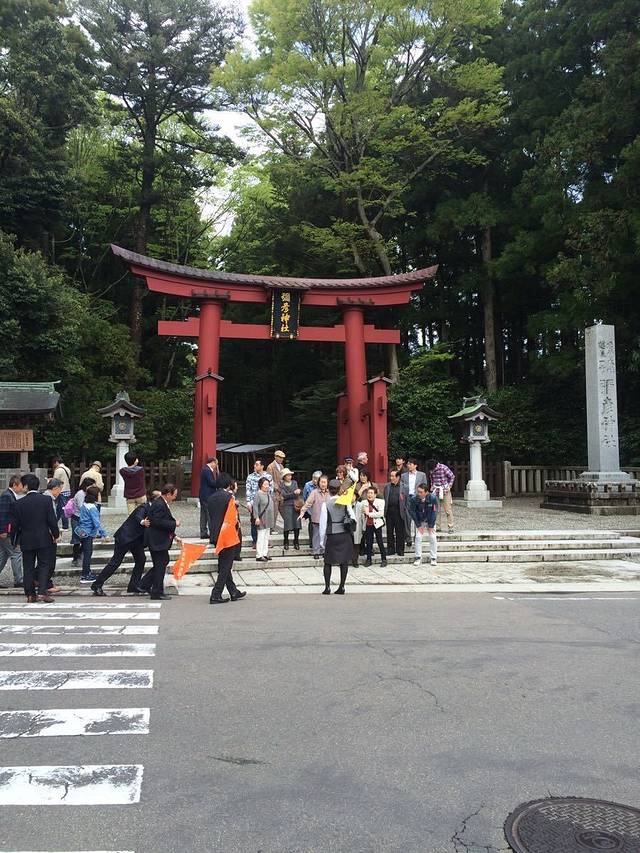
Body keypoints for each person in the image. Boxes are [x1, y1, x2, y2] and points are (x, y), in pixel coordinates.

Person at [91, 492, 157, 596]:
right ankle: (97, 584)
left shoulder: (154, 510)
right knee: (115, 562)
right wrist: (143, 522)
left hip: (136, 540)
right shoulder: (143, 507)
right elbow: (138, 516)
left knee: (141, 559)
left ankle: (133, 585)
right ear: (155, 500)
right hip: (125, 538)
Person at [12, 473, 60, 603]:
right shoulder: (45, 500)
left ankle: (30, 594)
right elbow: (52, 520)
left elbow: (15, 525)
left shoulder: (19, 503)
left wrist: (14, 540)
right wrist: (56, 535)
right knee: (44, 565)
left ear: (26, 486)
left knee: (28, 567)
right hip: (43, 537)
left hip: (26, 538)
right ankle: (42, 592)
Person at [208, 473, 246, 604]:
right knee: (226, 566)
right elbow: (232, 518)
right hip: (227, 534)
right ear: (228, 484)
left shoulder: (211, 497)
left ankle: (233, 591)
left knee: (224, 563)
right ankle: (216, 594)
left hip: (215, 533)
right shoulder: (229, 497)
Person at [140, 483, 180, 600]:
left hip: (158, 539)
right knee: (160, 565)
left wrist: (174, 535)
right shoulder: (159, 504)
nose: (175, 497)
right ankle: (157, 592)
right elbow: (157, 521)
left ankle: (145, 583)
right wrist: (174, 524)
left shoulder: (161, 503)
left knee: (162, 562)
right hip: (156, 540)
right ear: (168, 494)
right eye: (174, 495)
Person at [318, 479, 353, 595]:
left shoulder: (325, 504)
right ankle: (342, 586)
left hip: (332, 534)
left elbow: (323, 524)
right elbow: (353, 517)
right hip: (344, 533)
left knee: (328, 562)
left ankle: (327, 587)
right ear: (339, 490)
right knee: (344, 562)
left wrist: (322, 540)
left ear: (329, 490)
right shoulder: (346, 502)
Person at [75, 485, 107, 583]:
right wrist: (104, 534)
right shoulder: (92, 508)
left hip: (81, 531)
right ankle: (85, 575)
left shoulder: (85, 504)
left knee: (86, 552)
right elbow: (96, 523)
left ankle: (87, 571)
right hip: (88, 533)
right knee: (88, 554)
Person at [0, 474, 26, 589]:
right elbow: (3, 515)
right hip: (7, 531)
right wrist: (3, 530)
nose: (22, 487)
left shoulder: (9, 495)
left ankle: (19, 579)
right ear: (15, 485)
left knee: (4, 555)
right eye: (21, 485)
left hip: (7, 530)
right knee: (16, 553)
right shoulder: (7, 496)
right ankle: (19, 580)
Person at [299, 474, 329, 559]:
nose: (323, 484)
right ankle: (316, 551)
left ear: (327, 483)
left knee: (326, 535)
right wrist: (302, 512)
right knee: (316, 535)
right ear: (319, 483)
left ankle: (324, 551)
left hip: (327, 519)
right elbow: (308, 503)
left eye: (325, 482)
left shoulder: (329, 492)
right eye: (321, 482)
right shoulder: (314, 492)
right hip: (316, 517)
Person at [355, 485, 387, 567]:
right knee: (368, 543)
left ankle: (384, 559)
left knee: (380, 542)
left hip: (377, 524)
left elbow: (381, 513)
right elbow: (356, 501)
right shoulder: (363, 502)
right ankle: (368, 559)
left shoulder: (380, 501)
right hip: (368, 524)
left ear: (375, 494)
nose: (369, 495)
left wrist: (369, 514)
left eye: (371, 493)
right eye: (368, 493)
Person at [409, 483, 438, 567]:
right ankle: (418, 557)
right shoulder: (414, 499)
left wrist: (431, 526)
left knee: (433, 537)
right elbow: (412, 512)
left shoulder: (432, 498)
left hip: (430, 520)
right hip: (420, 520)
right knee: (418, 537)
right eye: (418, 491)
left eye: (421, 492)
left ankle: (433, 558)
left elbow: (434, 512)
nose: (419, 494)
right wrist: (418, 525)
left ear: (426, 492)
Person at [245, 459, 273, 548]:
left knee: (266, 521)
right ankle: (255, 540)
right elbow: (248, 490)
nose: (255, 466)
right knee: (254, 521)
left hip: (266, 502)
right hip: (254, 502)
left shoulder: (268, 476)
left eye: (257, 464)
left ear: (262, 466)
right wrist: (248, 503)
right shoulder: (250, 477)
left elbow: (271, 489)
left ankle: (265, 540)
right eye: (255, 464)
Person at [383, 470, 411, 557]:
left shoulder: (405, 487)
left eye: (393, 476)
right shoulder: (387, 486)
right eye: (390, 476)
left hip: (400, 511)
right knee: (389, 531)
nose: (391, 478)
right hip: (389, 511)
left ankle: (400, 549)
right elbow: (385, 498)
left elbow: (407, 501)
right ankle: (390, 549)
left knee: (400, 531)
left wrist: (406, 511)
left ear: (398, 477)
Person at [42, 479, 63, 592]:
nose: (60, 492)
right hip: (48, 534)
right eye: (60, 489)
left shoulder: (45, 497)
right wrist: (55, 534)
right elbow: (51, 519)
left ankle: (42, 581)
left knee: (45, 560)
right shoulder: (48, 499)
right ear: (55, 488)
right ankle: (45, 583)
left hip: (43, 533)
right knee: (49, 561)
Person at [69, 478, 95, 567]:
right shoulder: (80, 494)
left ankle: (79, 556)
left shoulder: (86, 493)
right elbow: (80, 506)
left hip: (82, 519)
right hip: (77, 518)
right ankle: (75, 559)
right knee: (77, 540)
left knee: (85, 539)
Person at [427, 459, 456, 533]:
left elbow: (452, 476)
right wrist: (432, 485)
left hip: (445, 490)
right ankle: (438, 527)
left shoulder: (443, 468)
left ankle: (451, 527)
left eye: (433, 468)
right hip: (436, 490)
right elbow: (431, 479)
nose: (432, 470)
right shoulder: (431, 470)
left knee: (448, 510)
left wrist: (449, 487)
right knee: (436, 510)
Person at [252, 476, 276, 562]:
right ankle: (259, 555)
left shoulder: (268, 493)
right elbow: (255, 507)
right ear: (261, 485)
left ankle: (265, 553)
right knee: (261, 537)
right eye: (265, 484)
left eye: (268, 484)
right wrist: (256, 517)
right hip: (262, 519)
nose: (267, 486)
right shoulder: (258, 494)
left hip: (268, 518)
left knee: (266, 537)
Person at [280, 468, 302, 550]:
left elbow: (296, 495)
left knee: (297, 524)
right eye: (287, 475)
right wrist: (293, 493)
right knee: (287, 525)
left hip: (296, 505)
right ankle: (286, 541)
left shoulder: (294, 482)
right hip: (286, 505)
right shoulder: (282, 484)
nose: (289, 476)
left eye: (290, 475)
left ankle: (296, 541)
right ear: (284, 477)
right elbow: (284, 496)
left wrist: (296, 493)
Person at [198, 456, 219, 539]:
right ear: (213, 462)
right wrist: (218, 480)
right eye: (216, 464)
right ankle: (212, 532)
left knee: (203, 515)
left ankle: (203, 532)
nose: (216, 466)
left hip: (203, 495)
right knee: (209, 514)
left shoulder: (205, 469)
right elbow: (211, 483)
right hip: (207, 495)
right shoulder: (207, 470)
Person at [302, 470, 321, 547]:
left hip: (320, 508)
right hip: (311, 508)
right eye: (314, 478)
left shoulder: (322, 484)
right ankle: (311, 542)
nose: (315, 480)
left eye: (317, 478)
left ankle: (319, 542)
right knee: (312, 525)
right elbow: (304, 497)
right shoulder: (308, 485)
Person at [52, 457, 72, 530]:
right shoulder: (67, 469)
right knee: (60, 509)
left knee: (63, 509)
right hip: (67, 490)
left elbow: (54, 481)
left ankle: (65, 526)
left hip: (61, 491)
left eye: (54, 463)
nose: (54, 465)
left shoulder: (58, 470)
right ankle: (53, 523)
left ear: (57, 462)